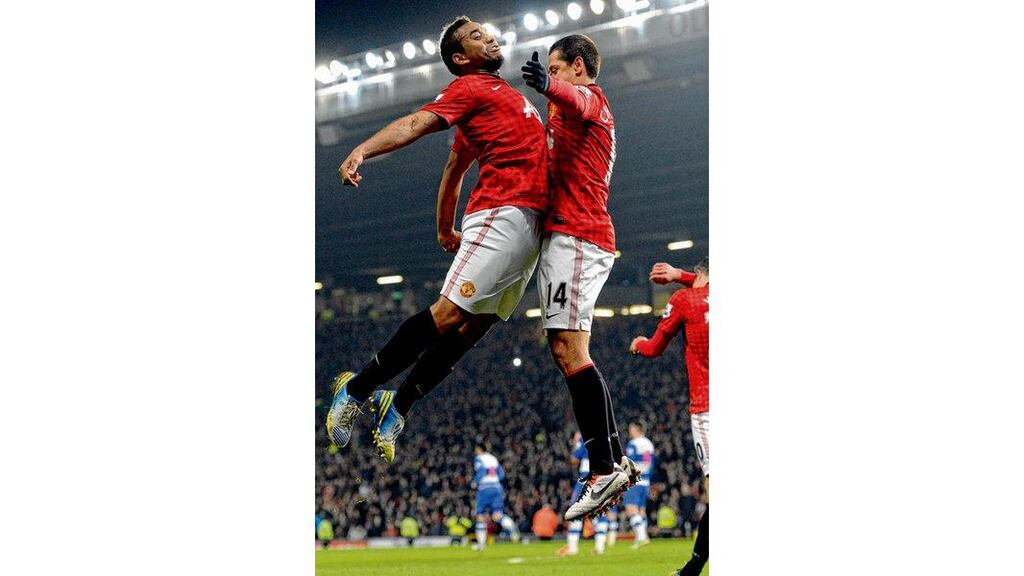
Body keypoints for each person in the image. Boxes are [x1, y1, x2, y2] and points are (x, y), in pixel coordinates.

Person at [326, 15, 548, 463]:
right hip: (500, 211)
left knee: (475, 326)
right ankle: (355, 390)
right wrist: (362, 150)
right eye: (477, 36)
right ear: (460, 58)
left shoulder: (500, 97)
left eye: (488, 32)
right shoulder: (468, 88)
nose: (490, 38)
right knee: (448, 314)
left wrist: (445, 228)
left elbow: (454, 169)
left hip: (531, 226)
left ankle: (398, 405)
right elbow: (415, 123)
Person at [520, 34, 633, 522]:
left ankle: (603, 467)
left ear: (579, 66)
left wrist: (549, 86)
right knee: (569, 348)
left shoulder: (592, 99)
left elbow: (579, 99)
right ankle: (614, 460)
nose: (552, 76)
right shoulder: (564, 112)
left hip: (579, 235)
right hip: (570, 235)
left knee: (568, 348)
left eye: (557, 68)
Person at [630, 258, 709, 575]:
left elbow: (654, 348)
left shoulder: (684, 300)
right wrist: (681, 275)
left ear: (699, 272)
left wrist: (639, 344)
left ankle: (694, 566)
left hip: (707, 408)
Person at [471, 443, 520, 550]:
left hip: (485, 487)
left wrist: (475, 482)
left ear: (479, 449)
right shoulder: (493, 458)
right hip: (497, 487)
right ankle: (512, 528)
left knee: (480, 516)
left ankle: (481, 545)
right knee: (497, 515)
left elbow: (481, 471)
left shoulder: (479, 458)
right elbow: (501, 474)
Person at [623, 421, 655, 549]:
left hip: (635, 481)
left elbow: (629, 464)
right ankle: (642, 537)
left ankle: (642, 537)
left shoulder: (633, 443)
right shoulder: (649, 444)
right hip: (645, 481)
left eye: (631, 429)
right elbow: (650, 463)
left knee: (630, 508)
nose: (630, 431)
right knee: (641, 510)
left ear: (636, 429)